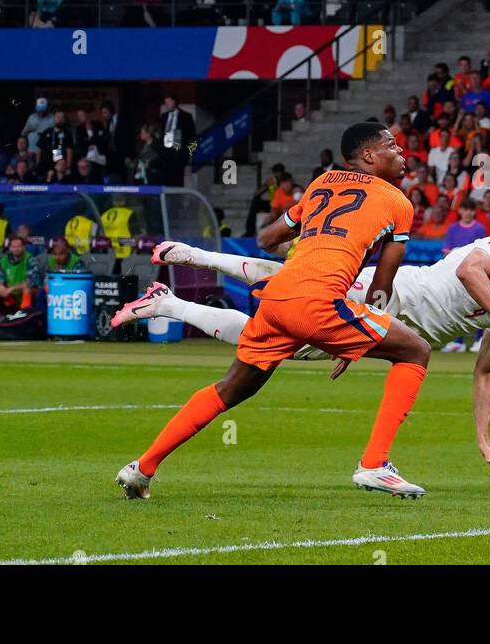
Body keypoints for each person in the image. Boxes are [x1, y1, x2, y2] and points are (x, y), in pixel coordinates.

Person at [115, 123, 432, 501]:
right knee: (414, 351)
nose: (402, 154)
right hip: (320, 303)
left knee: (230, 389)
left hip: (279, 297)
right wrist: (363, 334)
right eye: (393, 146)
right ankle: (375, 464)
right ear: (368, 156)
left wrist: (317, 242)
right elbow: (382, 284)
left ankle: (142, 468)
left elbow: (266, 238)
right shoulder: (398, 202)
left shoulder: (321, 184)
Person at [136, 223, 490, 479]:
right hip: (389, 291)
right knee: (292, 285)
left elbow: (485, 371)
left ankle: (170, 304)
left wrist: (483, 438)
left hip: (390, 334)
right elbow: (469, 271)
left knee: (283, 346)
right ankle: (200, 256)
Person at [0, 234, 43, 317]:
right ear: (9, 248)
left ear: (23, 247)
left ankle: (24, 316)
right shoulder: (3, 260)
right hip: (11, 292)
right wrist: (0, 286)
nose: (16, 249)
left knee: (27, 288)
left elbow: (31, 281)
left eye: (19, 246)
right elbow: (0, 277)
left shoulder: (30, 259)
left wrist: (12, 288)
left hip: (30, 291)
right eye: (13, 247)